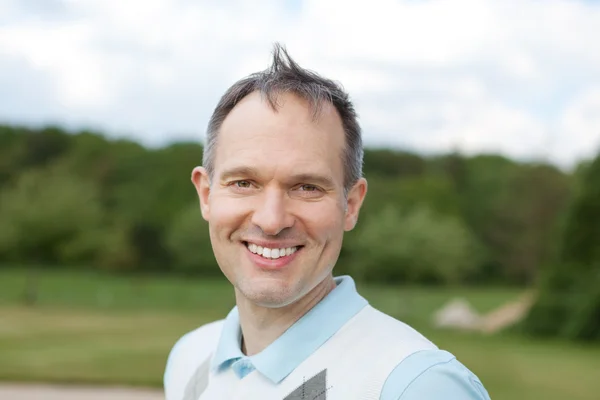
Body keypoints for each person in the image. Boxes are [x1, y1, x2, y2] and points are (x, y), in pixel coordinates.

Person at [163, 43, 491, 400]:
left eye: (306, 187)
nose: (272, 220)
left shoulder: (418, 386)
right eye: (244, 183)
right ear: (206, 195)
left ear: (350, 205)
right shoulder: (189, 357)